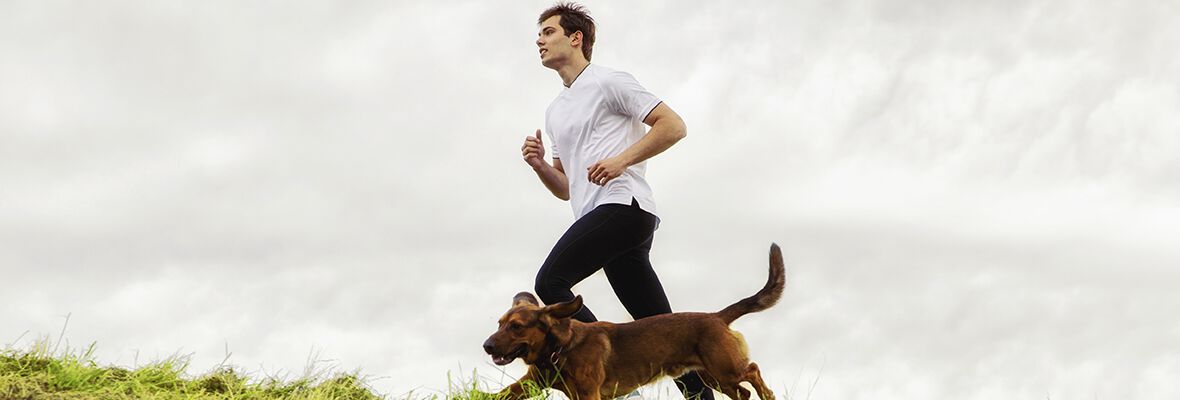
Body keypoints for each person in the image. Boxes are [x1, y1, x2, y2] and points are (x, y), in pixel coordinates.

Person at [520, 3, 715, 400]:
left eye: (548, 32)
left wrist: (620, 161)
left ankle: (601, 368)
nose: (539, 40)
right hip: (601, 215)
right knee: (660, 327)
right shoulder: (555, 111)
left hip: (624, 206)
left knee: (550, 282)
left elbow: (673, 126)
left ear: (576, 38)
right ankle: (699, 395)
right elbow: (566, 187)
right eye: (538, 34)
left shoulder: (609, 81)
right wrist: (539, 165)